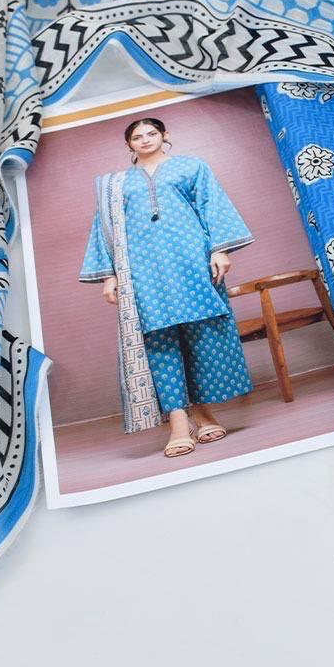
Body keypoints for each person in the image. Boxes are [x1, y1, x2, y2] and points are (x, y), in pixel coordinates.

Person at [79, 117, 255, 457]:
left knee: (200, 337)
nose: (145, 140)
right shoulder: (115, 184)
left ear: (164, 136)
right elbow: (103, 227)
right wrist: (109, 276)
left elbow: (211, 204)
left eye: (152, 134)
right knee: (159, 341)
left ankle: (202, 413)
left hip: (191, 262)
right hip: (142, 272)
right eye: (137, 137)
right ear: (128, 144)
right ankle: (178, 423)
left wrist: (219, 250)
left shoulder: (191, 166)